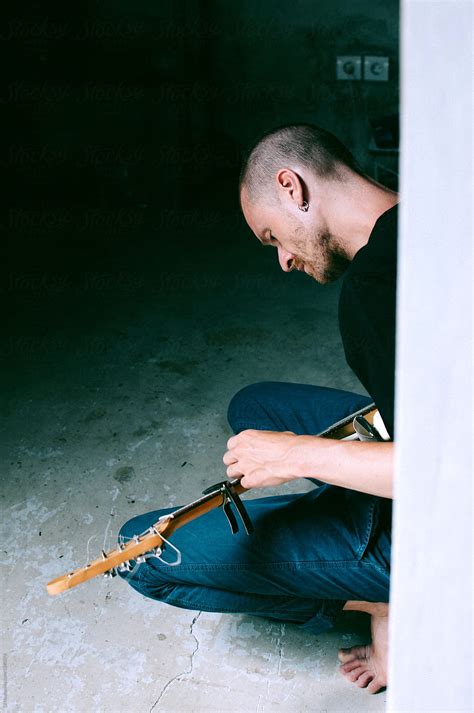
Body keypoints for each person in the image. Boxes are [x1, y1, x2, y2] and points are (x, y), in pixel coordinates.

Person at [118, 124, 398, 694]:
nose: (284, 261)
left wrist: (299, 455)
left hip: (437, 526)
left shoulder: (375, 291)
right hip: (420, 433)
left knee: (139, 551)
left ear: (292, 187)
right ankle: (337, 515)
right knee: (254, 406)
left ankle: (384, 597)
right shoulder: (436, 217)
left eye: (273, 237)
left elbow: (452, 475)